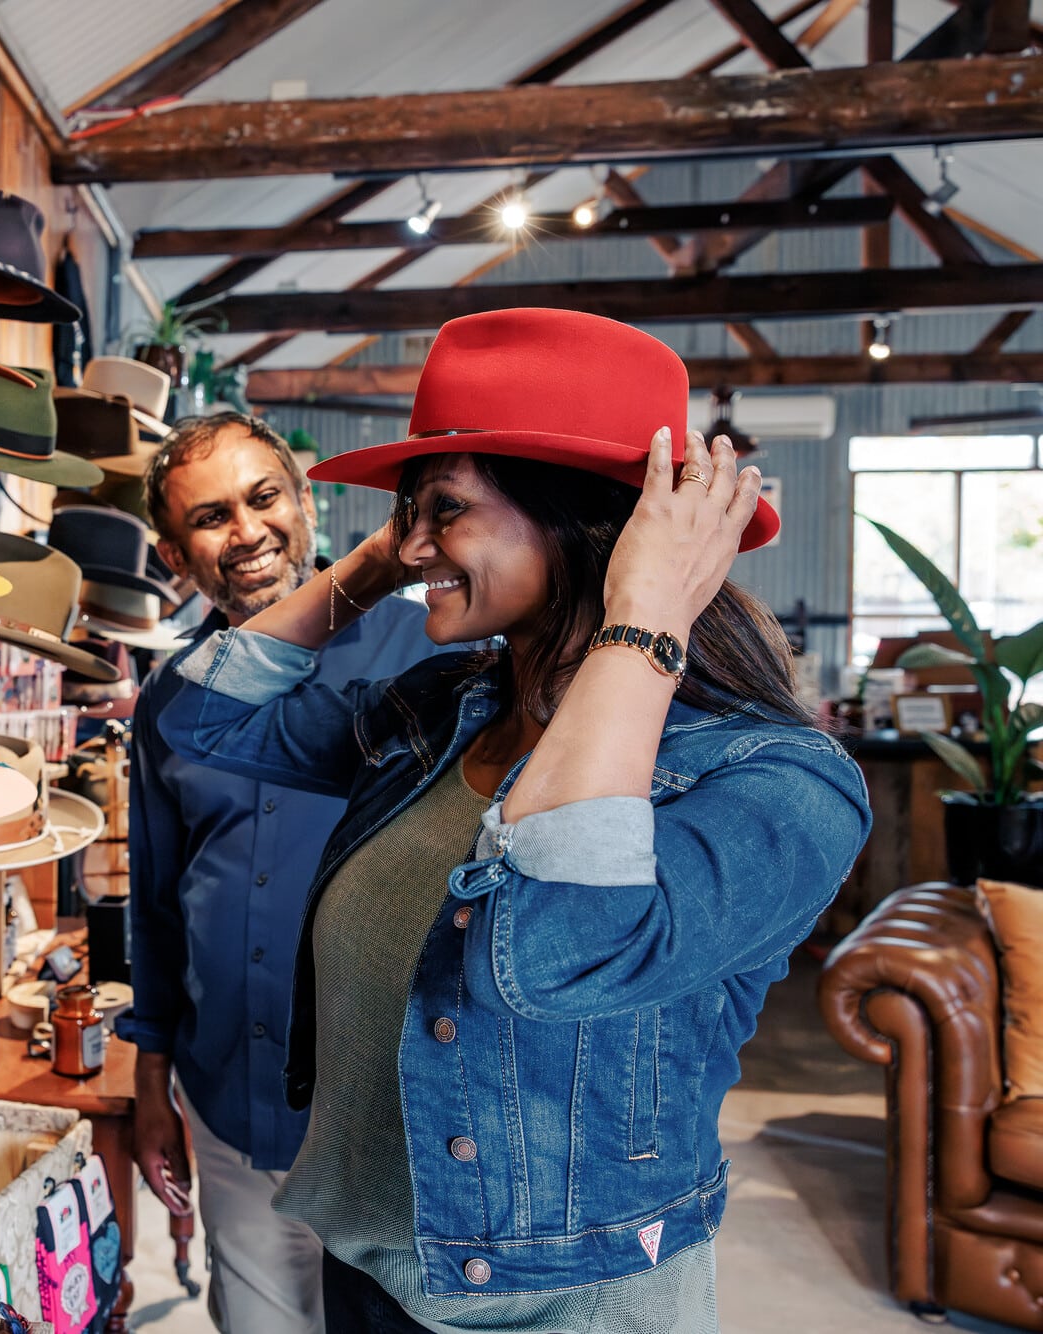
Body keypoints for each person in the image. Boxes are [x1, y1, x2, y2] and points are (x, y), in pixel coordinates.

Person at [156, 311, 871, 1333]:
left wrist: (642, 615)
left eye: (440, 508)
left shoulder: (777, 782)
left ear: (585, 525)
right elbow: (202, 715)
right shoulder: (446, 707)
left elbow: (555, 949)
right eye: (403, 515)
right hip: (372, 1271)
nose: (409, 542)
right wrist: (380, 564)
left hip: (560, 1305)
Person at [117, 412, 444, 1334]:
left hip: (383, 1116)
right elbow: (158, 900)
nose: (248, 532)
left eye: (264, 499)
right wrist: (152, 1082)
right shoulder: (176, 701)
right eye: (211, 518)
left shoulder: (431, 656)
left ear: (306, 503)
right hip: (228, 1096)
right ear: (176, 555)